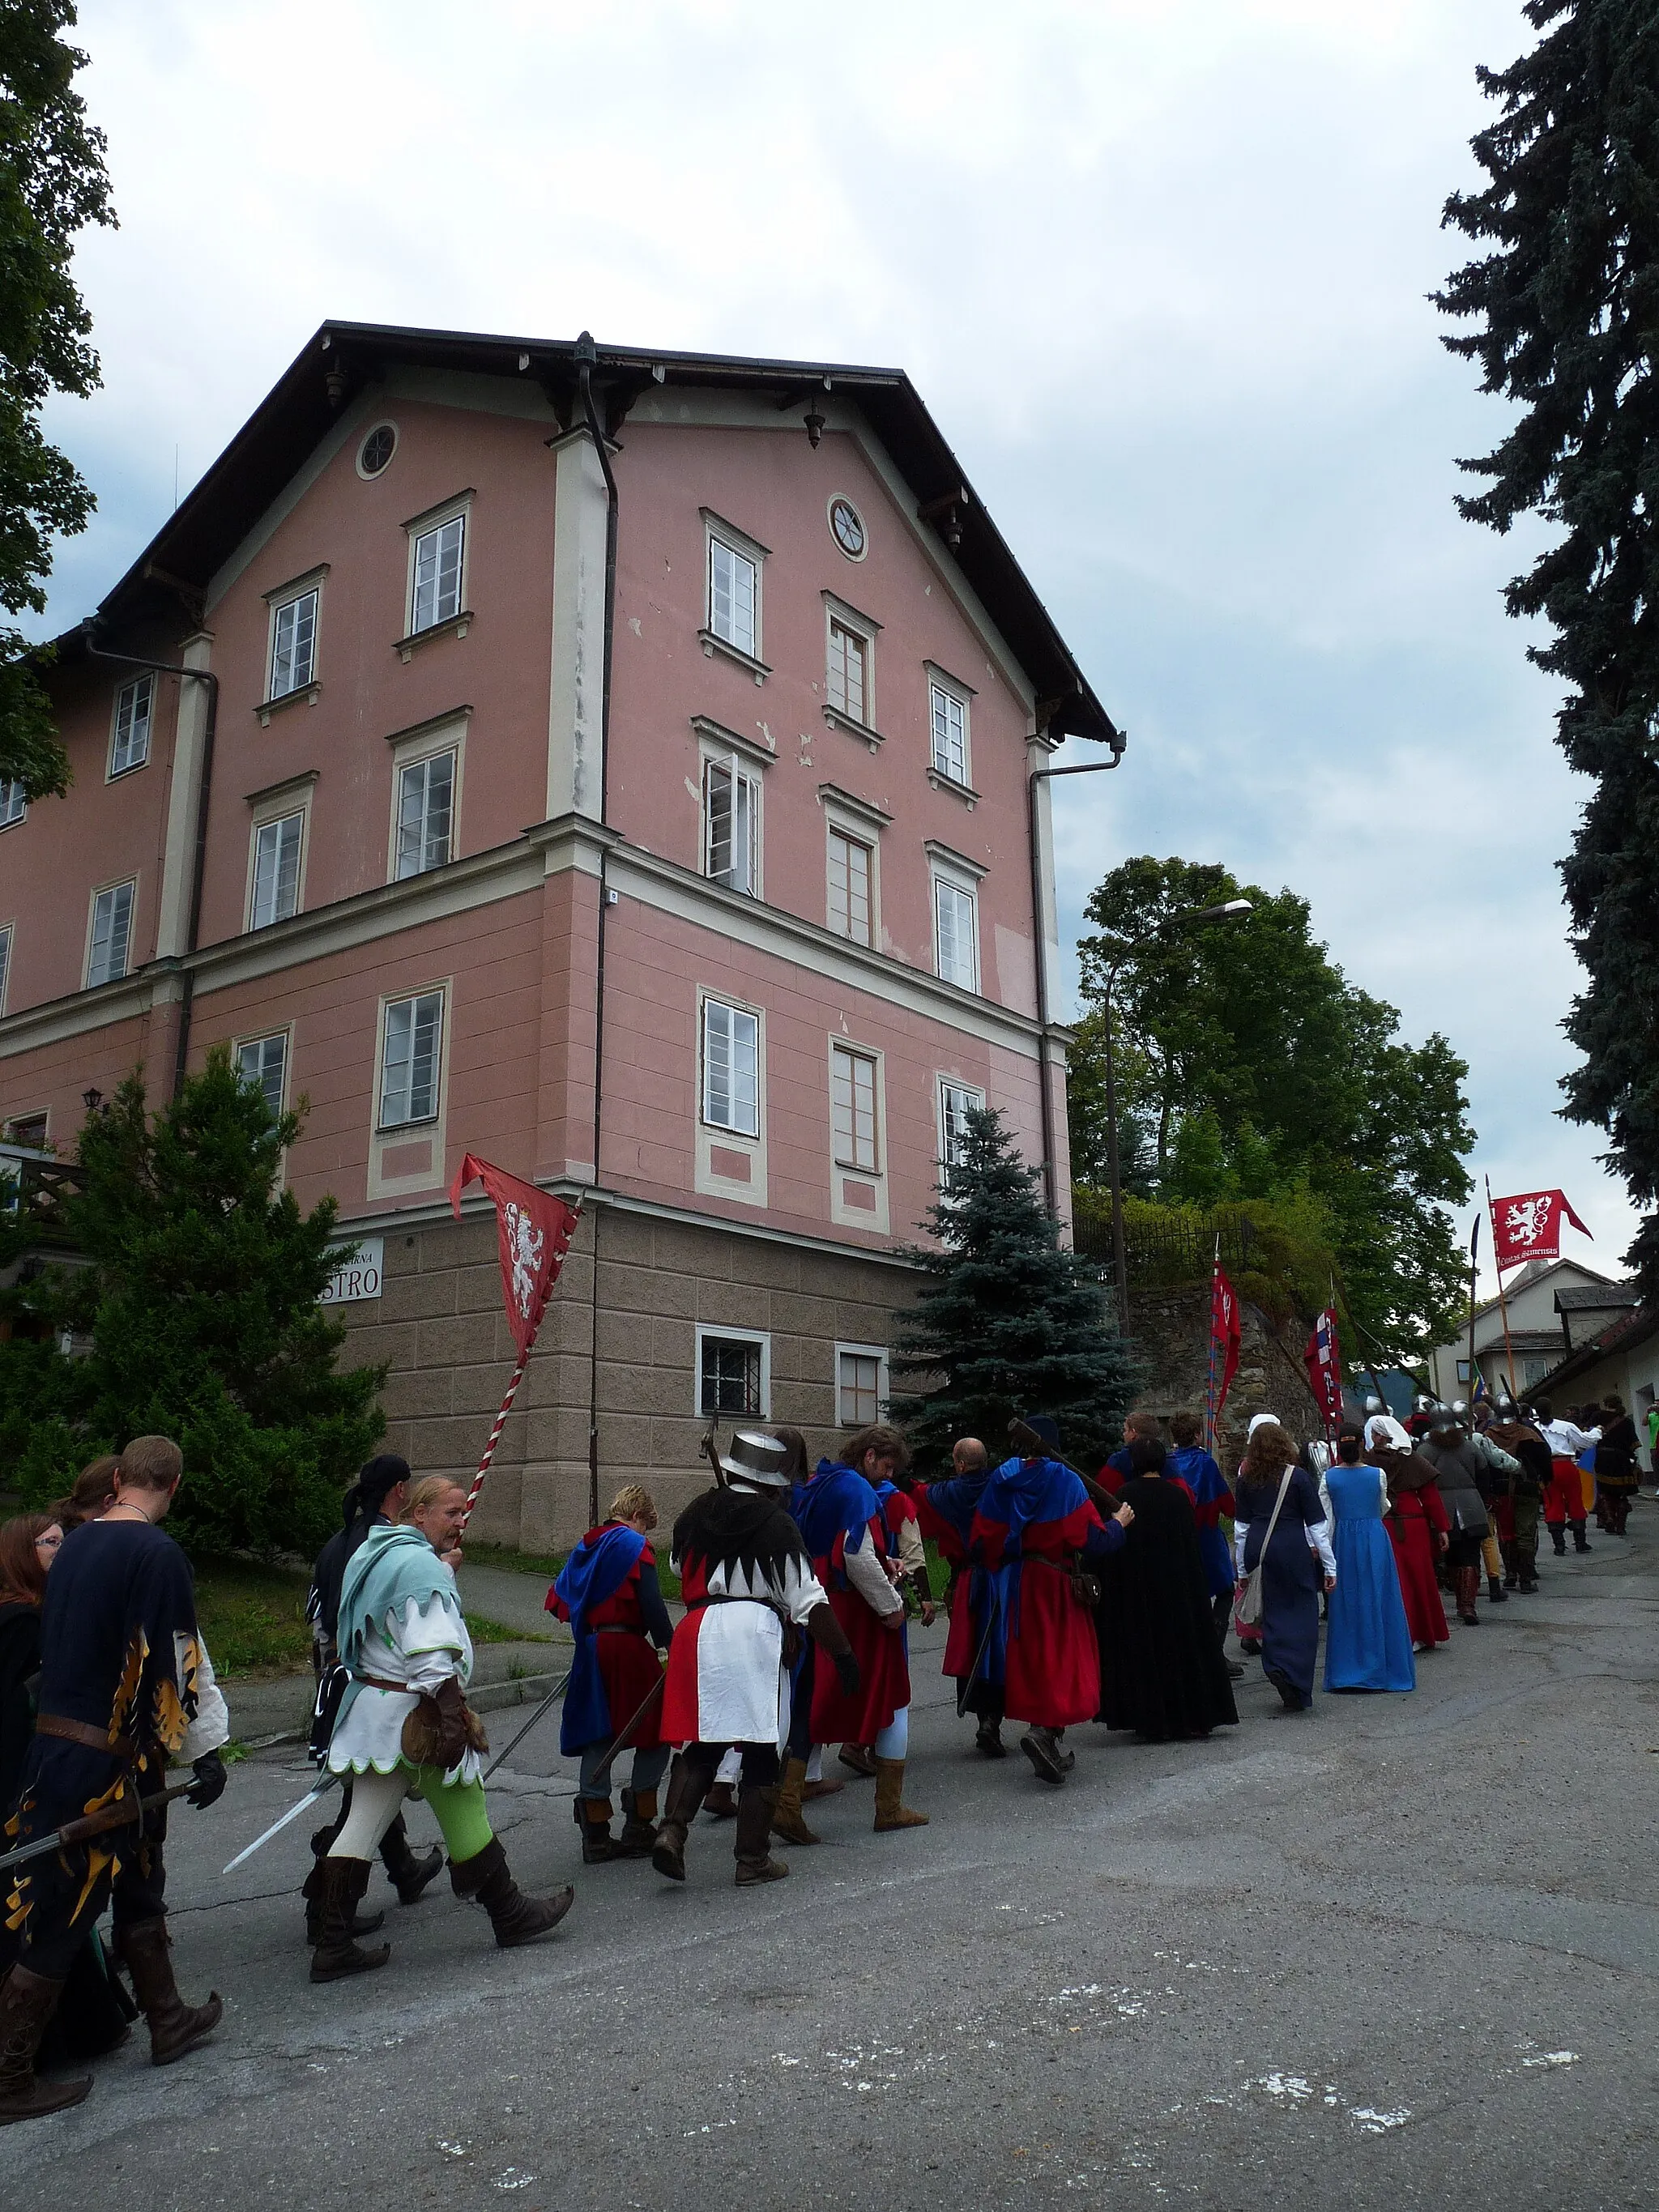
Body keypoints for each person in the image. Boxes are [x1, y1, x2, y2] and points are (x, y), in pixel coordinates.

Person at [0, 1437, 228, 2124]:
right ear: (176, 1484)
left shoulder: (73, 1547)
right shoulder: (156, 1553)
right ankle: (9, 2078)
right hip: (102, 1760)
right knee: (65, 1913)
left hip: (61, 1750)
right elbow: (175, 1663)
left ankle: (167, 2018)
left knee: (135, 1876)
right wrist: (200, 1749)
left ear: (122, 1479)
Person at [315, 1476, 574, 1981]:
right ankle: (510, 1913)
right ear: (419, 1514)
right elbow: (431, 1651)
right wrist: (453, 1719)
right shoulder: (416, 1564)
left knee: (364, 1821)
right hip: (415, 1715)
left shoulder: (375, 1553)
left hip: (373, 1712)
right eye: (450, 1513)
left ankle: (331, 1942)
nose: (460, 1523)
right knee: (464, 1802)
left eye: (463, 1513)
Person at [653, 1430, 855, 1886]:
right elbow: (807, 1598)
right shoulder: (775, 1522)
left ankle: (672, 1830)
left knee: (704, 1741)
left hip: (698, 1629)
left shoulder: (696, 1511)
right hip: (754, 1633)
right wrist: (842, 1654)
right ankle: (752, 1860)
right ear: (770, 1482)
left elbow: (675, 1567)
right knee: (762, 1746)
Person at [0, 1514, 137, 2071]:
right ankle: (31, 2055)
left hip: (32, 1774)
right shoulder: (20, 1623)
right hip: (25, 1781)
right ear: (21, 1551)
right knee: (43, 1901)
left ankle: (91, 2024)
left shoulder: (35, 1616)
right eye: (50, 1541)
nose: (61, 1548)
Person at [302, 1455, 445, 1944]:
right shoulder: (385, 1548)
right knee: (364, 1797)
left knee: (372, 1789)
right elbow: (396, 1619)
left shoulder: (336, 1544)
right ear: (401, 1492)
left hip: (336, 1681)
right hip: (368, 1685)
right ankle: (323, 1904)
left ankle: (402, 1870)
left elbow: (319, 1621)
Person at [968, 1417, 1132, 1784]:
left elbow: (982, 1538)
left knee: (1032, 1660)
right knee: (1064, 1660)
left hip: (1018, 1581)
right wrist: (1119, 1523)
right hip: (1056, 1581)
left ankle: (1044, 1733)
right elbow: (1093, 1541)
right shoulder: (1064, 1480)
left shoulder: (1002, 1478)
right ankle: (1045, 1731)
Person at [787, 1425, 926, 1835]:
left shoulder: (822, 1482)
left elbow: (839, 1546)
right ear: (869, 1455)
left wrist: (882, 1558)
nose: (887, 1475)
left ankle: (787, 1801)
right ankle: (889, 1808)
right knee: (893, 1697)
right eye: (885, 1465)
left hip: (819, 1601)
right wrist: (891, 1606)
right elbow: (855, 1556)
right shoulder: (857, 1490)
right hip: (852, 1609)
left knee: (815, 1699)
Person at [548, 1484, 672, 1863]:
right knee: (656, 1730)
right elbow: (651, 1604)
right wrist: (672, 1644)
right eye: (645, 1525)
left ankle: (597, 1836)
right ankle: (639, 1825)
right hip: (626, 1648)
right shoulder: (634, 1547)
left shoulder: (587, 1545)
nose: (644, 1534)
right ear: (637, 1516)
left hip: (591, 1648)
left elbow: (562, 1601)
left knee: (598, 1733)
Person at [1094, 1435, 1239, 1741]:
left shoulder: (1123, 1497)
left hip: (1139, 1590)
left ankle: (1148, 1716)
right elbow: (1189, 1547)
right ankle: (1190, 1714)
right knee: (1181, 1649)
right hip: (1177, 1588)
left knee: (1145, 1653)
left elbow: (1116, 1549)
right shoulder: (1177, 1497)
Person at [1233, 1421, 1335, 1711]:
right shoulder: (1299, 1478)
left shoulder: (1246, 1479)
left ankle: (1275, 1662)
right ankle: (1296, 1680)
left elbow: (1240, 1529)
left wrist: (1242, 1570)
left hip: (1259, 1549)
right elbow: (1317, 1527)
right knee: (1302, 1612)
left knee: (1272, 1612)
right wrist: (1330, 1566)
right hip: (1291, 1547)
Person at [915, 1438, 1006, 1756]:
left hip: (971, 1579)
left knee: (975, 1649)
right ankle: (992, 1721)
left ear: (961, 1464)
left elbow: (921, 1495)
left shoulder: (951, 1492)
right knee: (998, 1648)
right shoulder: (1001, 1483)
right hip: (1002, 1578)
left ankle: (985, 1720)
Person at [1319, 1426, 1415, 1694]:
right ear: (1362, 1444)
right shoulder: (1377, 1475)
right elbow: (1384, 1507)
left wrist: (1324, 1552)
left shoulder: (1328, 1478)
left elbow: (1326, 1521)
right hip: (1374, 1539)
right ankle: (1384, 1668)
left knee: (1348, 1603)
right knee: (1379, 1599)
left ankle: (1347, 1670)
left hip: (1344, 1542)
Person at [1165, 1410, 1242, 1679]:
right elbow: (1229, 1506)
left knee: (1186, 1595)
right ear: (1198, 1434)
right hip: (1206, 1538)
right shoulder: (1207, 1464)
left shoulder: (1166, 1464)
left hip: (1177, 1539)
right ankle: (1213, 1652)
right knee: (1223, 1592)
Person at [1366, 1413, 1451, 1653]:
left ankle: (1404, 1635)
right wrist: (1442, 1528)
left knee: (1396, 1581)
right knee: (1418, 1579)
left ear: (1379, 1436)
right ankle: (1421, 1634)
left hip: (1385, 1525)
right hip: (1412, 1525)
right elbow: (1431, 1498)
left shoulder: (1368, 1461)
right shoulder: (1411, 1459)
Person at [1418, 1411, 1499, 1627]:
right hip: (1471, 1504)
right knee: (1470, 1555)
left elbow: (1420, 1482)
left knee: (1453, 1555)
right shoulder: (1470, 1446)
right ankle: (1467, 1604)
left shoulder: (1425, 1450)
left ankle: (1464, 1604)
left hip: (1442, 1507)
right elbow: (1484, 1475)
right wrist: (1480, 1499)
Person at [1486, 1411, 1550, 1593]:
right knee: (1525, 1533)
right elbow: (1544, 1460)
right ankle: (1526, 1579)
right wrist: (1545, 1480)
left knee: (1507, 1533)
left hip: (1500, 1490)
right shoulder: (1528, 1433)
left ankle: (1511, 1575)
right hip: (1526, 1488)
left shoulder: (1488, 1435)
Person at [1534, 1399, 1597, 1554]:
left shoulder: (1532, 1428)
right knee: (1575, 1500)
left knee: (1552, 1503)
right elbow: (1585, 1442)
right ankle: (1580, 1542)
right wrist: (1597, 1432)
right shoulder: (1566, 1426)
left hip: (1546, 1467)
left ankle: (1559, 1545)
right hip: (1566, 1465)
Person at [1592, 1396, 1640, 1536]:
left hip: (1601, 1458)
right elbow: (1634, 1444)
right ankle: (1621, 1526)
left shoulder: (1597, 1416)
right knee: (1622, 1493)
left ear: (1605, 1404)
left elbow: (1588, 1434)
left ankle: (1610, 1519)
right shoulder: (1627, 1421)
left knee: (1605, 1492)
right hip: (1621, 1459)